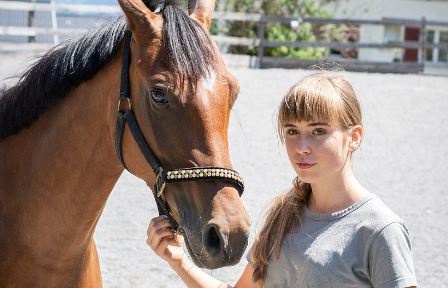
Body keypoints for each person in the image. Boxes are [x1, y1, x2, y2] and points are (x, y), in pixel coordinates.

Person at [146, 72, 417, 288]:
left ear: (354, 137)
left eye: (318, 131)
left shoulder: (379, 230)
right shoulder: (283, 217)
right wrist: (180, 261)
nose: (301, 146)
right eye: (292, 131)